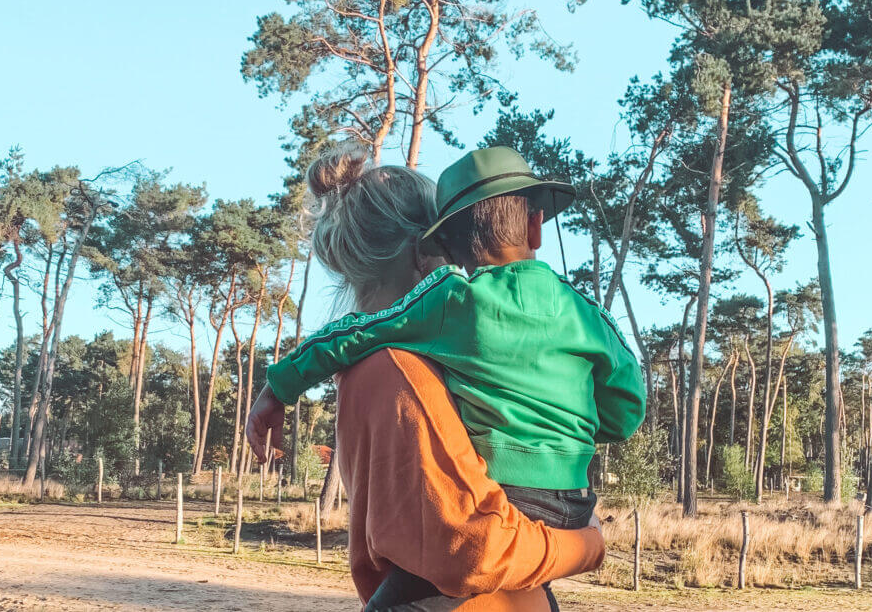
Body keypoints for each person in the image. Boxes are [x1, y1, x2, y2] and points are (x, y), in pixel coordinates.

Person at [259, 146, 646, 609]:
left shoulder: (421, 333)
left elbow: (467, 548)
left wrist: (277, 387)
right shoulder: (583, 315)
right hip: (566, 509)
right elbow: (626, 411)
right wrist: (586, 536)